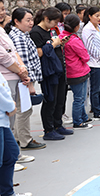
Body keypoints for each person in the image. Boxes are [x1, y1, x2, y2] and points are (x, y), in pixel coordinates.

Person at [31, 8, 74, 140]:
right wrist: (53, 44)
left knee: (60, 99)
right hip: (48, 71)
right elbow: (39, 52)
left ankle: (57, 125)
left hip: (58, 68)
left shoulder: (50, 30)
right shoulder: (35, 32)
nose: (56, 25)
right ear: (46, 19)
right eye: (54, 22)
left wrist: (59, 43)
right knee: (50, 100)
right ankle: (48, 129)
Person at [8, 8, 45, 150]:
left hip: (24, 79)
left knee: (22, 109)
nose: (31, 23)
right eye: (27, 20)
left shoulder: (23, 34)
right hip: (23, 80)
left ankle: (19, 138)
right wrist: (29, 84)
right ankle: (25, 140)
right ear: (17, 21)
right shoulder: (19, 38)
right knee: (24, 110)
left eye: (31, 20)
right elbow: (24, 63)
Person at [0, 70, 32, 196]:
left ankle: (7, 194)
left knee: (11, 153)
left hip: (2, 119)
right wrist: (9, 106)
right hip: (3, 111)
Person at [59, 15, 92, 129]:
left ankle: (83, 117)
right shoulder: (74, 40)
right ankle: (78, 121)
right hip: (78, 71)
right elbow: (85, 56)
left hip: (69, 71)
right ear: (77, 26)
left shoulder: (61, 37)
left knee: (79, 97)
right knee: (79, 98)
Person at [82, 7, 100, 120]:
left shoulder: (99, 27)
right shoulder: (87, 29)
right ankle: (96, 112)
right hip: (94, 63)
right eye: (96, 16)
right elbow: (91, 48)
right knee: (95, 88)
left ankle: (97, 107)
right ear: (90, 16)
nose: (99, 18)